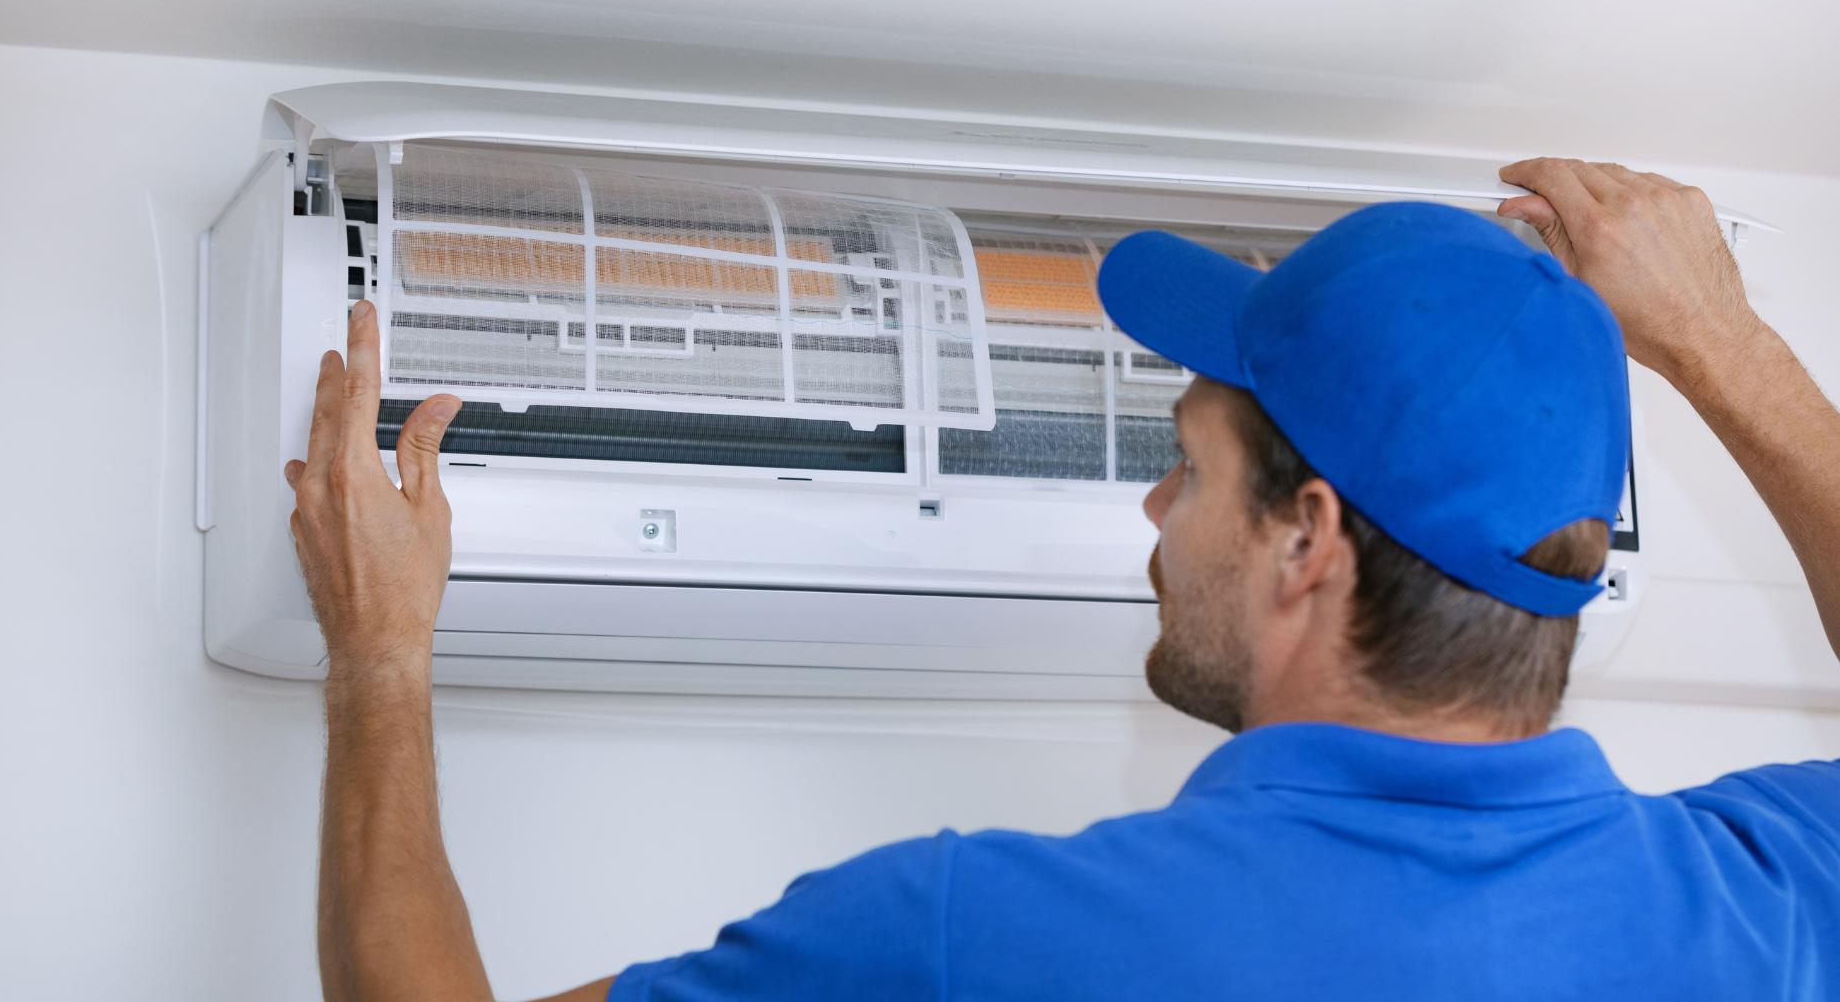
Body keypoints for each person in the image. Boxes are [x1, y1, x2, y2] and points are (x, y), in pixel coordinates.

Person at [284, 159, 1840, 1002]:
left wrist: (380, 656)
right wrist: (1730, 347)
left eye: (1188, 463)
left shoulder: (979, 937)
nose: (1157, 505)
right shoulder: (1763, 909)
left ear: (1308, 536)